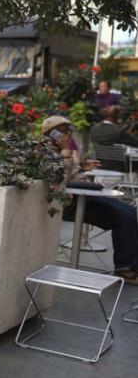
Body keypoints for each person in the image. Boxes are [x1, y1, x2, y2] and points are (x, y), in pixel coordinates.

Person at [41, 116, 138, 283]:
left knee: (132, 212)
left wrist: (82, 167)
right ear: (52, 134)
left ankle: (131, 264)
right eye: (63, 131)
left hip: (83, 195)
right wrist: (65, 152)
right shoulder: (45, 151)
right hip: (71, 202)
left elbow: (71, 171)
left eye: (69, 131)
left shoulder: (63, 150)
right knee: (125, 218)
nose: (68, 135)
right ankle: (124, 269)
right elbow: (59, 179)